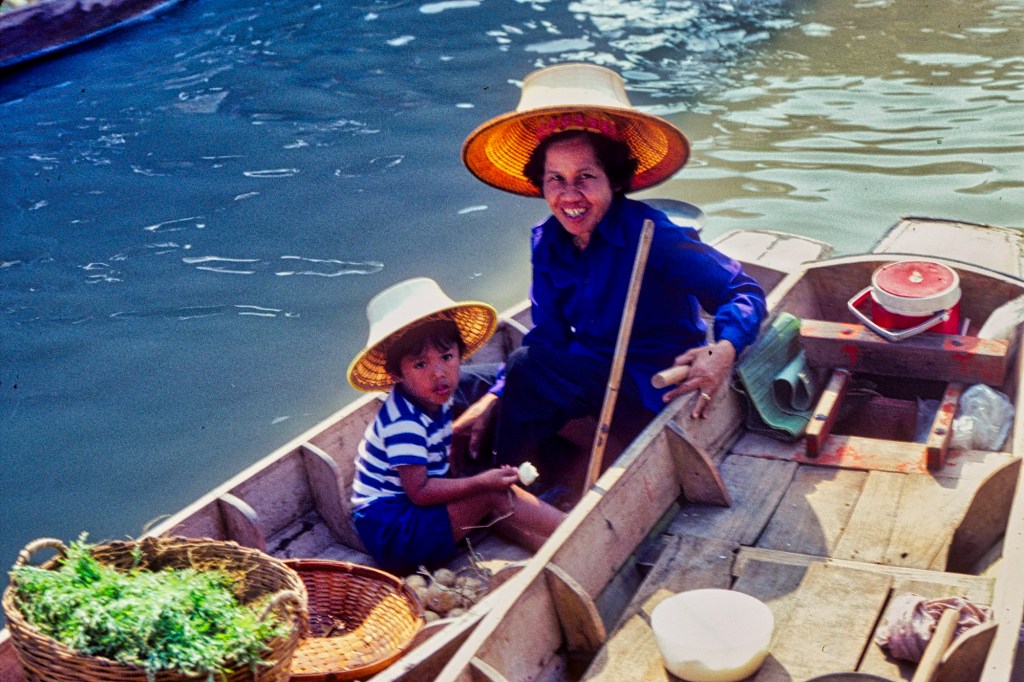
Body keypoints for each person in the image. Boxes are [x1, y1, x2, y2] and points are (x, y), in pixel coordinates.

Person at [456, 62, 768, 472]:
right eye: (555, 179)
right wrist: (495, 395)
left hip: (646, 390)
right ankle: (530, 470)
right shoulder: (547, 242)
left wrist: (719, 349)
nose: (570, 195)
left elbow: (743, 292)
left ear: (614, 180)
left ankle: (494, 493)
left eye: (585, 176)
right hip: (584, 375)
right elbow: (548, 336)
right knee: (463, 386)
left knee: (526, 369)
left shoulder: (654, 236)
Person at [346, 277, 566, 575]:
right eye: (420, 364)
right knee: (491, 492)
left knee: (485, 481)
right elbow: (420, 492)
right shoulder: (403, 423)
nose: (439, 373)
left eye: (447, 357)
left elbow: (510, 377)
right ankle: (573, 531)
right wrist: (480, 483)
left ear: (460, 354)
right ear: (396, 373)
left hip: (411, 513)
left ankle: (548, 544)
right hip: (394, 532)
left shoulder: (438, 395)